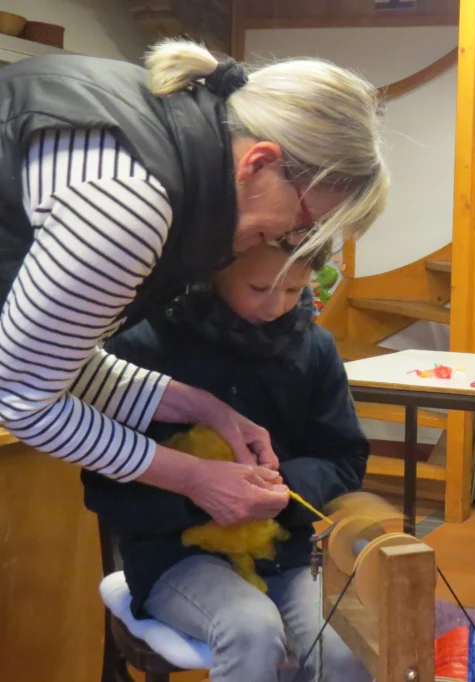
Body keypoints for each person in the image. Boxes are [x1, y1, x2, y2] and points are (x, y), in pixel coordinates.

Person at [0, 41, 387, 526]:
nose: (292, 240)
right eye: (303, 223)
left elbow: (54, 363)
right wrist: (196, 479)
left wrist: (202, 408)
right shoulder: (131, 208)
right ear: (259, 164)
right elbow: (20, 400)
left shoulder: (164, 136)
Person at [83, 241, 371, 682]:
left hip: (286, 553)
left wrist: (284, 488)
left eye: (294, 290)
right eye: (259, 288)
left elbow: (344, 458)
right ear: (216, 269)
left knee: (346, 646)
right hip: (173, 555)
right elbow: (105, 486)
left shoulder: (315, 349)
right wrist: (199, 496)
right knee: (251, 629)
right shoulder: (144, 344)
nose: (276, 306)